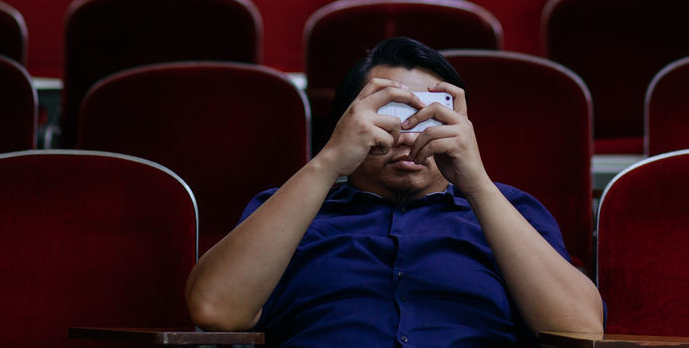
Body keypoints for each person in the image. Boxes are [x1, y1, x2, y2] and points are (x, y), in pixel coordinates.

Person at [185, 36, 604, 346]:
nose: (407, 138)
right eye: (388, 116)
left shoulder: (510, 211)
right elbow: (216, 312)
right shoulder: (290, 210)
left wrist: (476, 183)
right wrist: (330, 162)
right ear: (347, 124)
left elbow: (580, 328)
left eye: (428, 118)